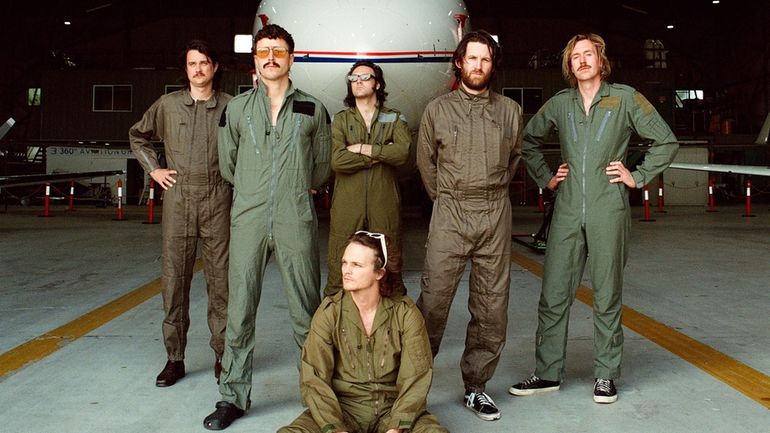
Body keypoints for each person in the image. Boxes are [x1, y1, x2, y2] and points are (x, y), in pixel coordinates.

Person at [509, 33, 678, 404]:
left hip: (608, 207)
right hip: (568, 208)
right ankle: (547, 372)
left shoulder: (625, 98)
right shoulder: (560, 104)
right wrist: (547, 177)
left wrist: (638, 175)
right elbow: (528, 141)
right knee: (554, 293)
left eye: (588, 54)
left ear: (601, 60)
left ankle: (606, 374)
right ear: (569, 66)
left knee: (607, 293)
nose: (582, 61)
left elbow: (665, 141)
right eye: (575, 57)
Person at [202, 24, 331, 430]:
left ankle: (316, 397)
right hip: (249, 218)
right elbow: (228, 165)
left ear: (292, 58)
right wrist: (257, 190)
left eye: (278, 51)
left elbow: (323, 165)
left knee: (306, 312)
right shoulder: (237, 109)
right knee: (239, 309)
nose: (271, 57)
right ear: (255, 60)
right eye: (263, 51)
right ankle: (232, 396)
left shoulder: (313, 108)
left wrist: (293, 189)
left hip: (296, 217)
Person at [415, 30, 523, 421]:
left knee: (492, 306)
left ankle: (476, 387)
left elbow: (514, 160)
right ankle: (412, 388)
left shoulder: (510, 111)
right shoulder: (437, 110)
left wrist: (490, 196)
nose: (478, 66)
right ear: (459, 62)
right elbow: (425, 162)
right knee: (434, 301)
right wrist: (446, 199)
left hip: (495, 212)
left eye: (486, 60)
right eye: (472, 58)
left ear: (492, 66)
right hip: (451, 211)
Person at [129, 39, 232, 388]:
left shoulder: (231, 108)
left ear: (215, 67)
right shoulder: (168, 106)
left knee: (222, 283)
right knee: (174, 281)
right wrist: (154, 169)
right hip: (179, 198)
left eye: (204, 62)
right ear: (185, 69)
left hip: (219, 197)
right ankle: (175, 358)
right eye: (192, 64)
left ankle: (223, 355)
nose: (198, 69)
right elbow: (137, 136)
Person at [278, 232, 448, 433]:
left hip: (392, 409)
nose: (346, 271)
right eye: (344, 263)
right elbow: (314, 378)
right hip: (342, 410)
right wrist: (335, 429)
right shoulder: (330, 312)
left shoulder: (405, 313)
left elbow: (416, 378)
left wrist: (396, 427)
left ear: (380, 272)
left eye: (356, 265)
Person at [325, 60, 411, 297]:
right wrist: (380, 155)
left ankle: (394, 325)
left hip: (383, 204)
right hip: (346, 205)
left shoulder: (394, 118)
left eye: (364, 77)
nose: (358, 82)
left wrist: (363, 148)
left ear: (378, 84)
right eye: (353, 79)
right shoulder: (341, 120)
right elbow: (337, 160)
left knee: (389, 264)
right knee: (339, 264)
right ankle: (335, 322)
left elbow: (402, 153)